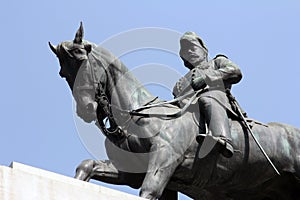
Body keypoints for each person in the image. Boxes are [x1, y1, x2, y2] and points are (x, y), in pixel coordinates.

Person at [173, 32, 243, 158]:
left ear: (204, 50)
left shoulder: (217, 62)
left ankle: (222, 139)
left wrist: (207, 78)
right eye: (185, 51)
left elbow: (235, 72)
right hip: (190, 110)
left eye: (193, 48)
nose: (189, 52)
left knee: (207, 98)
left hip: (219, 100)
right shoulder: (180, 84)